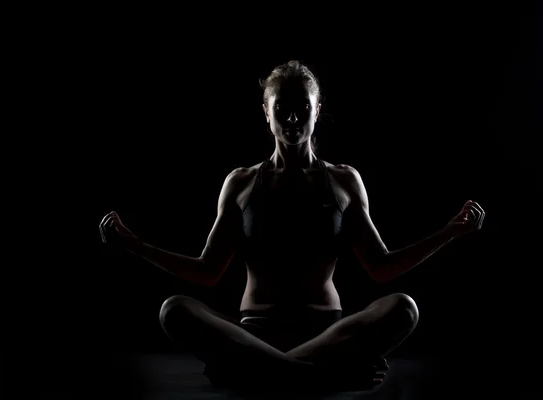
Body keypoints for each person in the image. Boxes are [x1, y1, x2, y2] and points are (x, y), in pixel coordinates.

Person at [99, 60, 486, 393]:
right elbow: (207, 272)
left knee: (404, 307)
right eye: (281, 107)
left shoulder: (343, 181)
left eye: (303, 106)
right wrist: (134, 243)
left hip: (329, 335)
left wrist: (448, 232)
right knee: (174, 310)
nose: (293, 117)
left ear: (319, 110)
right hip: (254, 333)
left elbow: (381, 266)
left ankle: (261, 373)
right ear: (265, 112)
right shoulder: (241, 182)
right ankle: (310, 376)